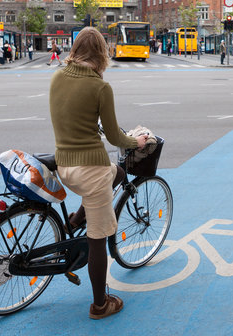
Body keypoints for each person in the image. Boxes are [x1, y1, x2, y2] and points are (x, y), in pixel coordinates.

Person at [49, 27, 148, 320]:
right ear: (101, 53)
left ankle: (77, 218)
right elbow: (117, 139)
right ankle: (100, 304)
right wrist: (137, 142)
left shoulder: (56, 77)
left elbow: (72, 118)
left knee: (116, 173)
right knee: (98, 239)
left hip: (63, 165)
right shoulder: (100, 87)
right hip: (90, 171)